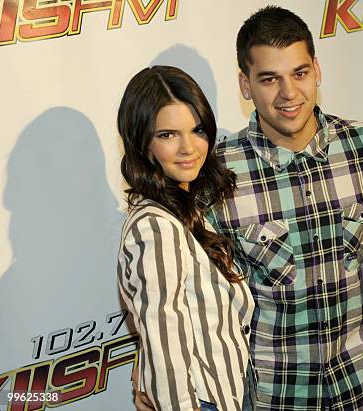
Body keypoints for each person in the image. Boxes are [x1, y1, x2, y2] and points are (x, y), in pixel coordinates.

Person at [134, 6, 363, 410]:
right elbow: (183, 297)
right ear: (245, 84)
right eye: (269, 79)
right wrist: (148, 367)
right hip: (275, 396)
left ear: (317, 70)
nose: (289, 93)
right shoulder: (214, 174)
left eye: (299, 73)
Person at [116, 65, 255, 411]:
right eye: (167, 135)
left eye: (196, 130)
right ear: (142, 141)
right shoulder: (155, 227)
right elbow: (165, 344)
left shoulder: (187, 209)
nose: (188, 147)